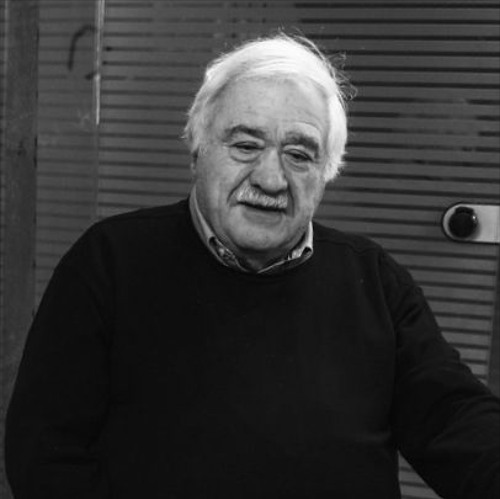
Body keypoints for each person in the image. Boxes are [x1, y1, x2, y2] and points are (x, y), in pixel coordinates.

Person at [5, 33, 499, 499]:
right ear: (197, 151)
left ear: (326, 174)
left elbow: (451, 416)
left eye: (299, 155)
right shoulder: (110, 262)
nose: (271, 178)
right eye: (246, 146)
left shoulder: (374, 279)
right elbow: (46, 452)